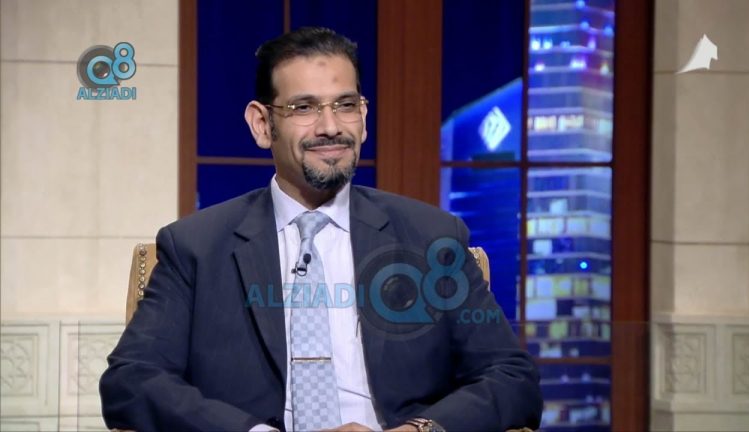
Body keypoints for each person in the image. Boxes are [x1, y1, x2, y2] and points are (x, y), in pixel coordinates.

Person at [100, 27, 542, 432]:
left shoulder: (431, 236)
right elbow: (132, 380)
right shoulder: (196, 246)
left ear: (363, 117)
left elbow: (512, 378)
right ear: (262, 124)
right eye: (304, 107)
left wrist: (416, 431)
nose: (330, 127)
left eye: (345, 105)